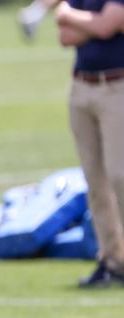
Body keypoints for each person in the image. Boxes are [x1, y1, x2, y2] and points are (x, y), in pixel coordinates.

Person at [56, 0, 124, 287]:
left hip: (117, 86)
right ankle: (112, 261)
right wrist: (95, 24)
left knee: (120, 175)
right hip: (82, 87)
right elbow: (65, 36)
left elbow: (107, 26)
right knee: (95, 184)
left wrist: (70, 15)